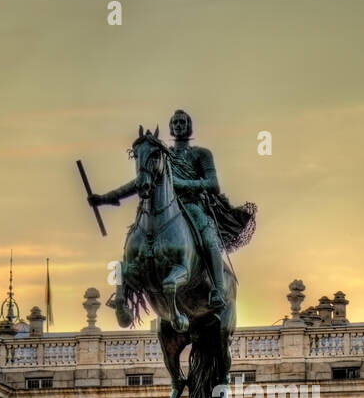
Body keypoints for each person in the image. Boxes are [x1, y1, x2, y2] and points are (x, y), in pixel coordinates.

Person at [90, 109, 255, 311]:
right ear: (170, 127)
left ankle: (218, 290)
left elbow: (213, 184)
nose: (178, 125)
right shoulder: (162, 155)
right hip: (165, 206)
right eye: (175, 122)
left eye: (182, 122)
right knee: (136, 230)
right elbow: (140, 181)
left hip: (193, 206)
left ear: (189, 126)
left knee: (208, 236)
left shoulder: (201, 154)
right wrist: (105, 198)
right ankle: (126, 289)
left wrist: (181, 183)